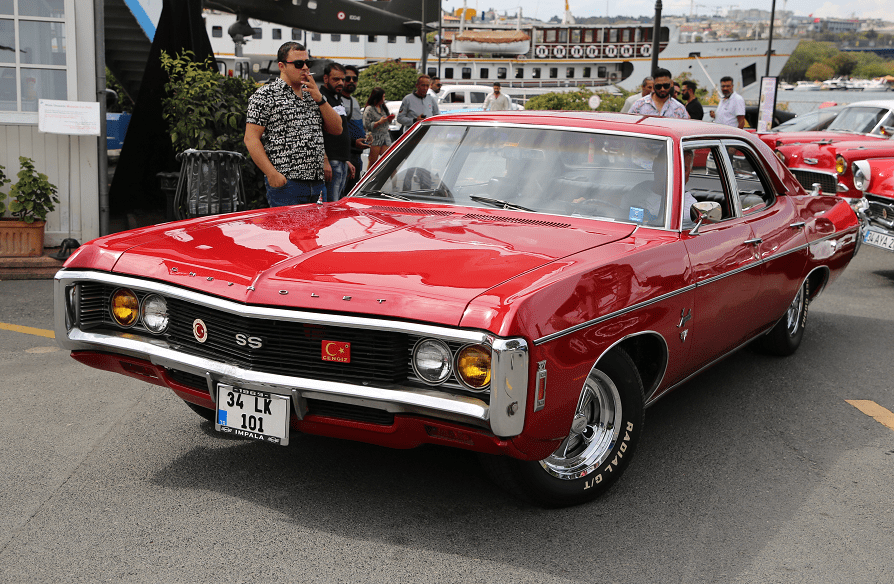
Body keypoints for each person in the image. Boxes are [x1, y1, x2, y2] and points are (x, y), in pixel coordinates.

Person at [244, 41, 342, 207]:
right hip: (287, 183)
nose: (305, 68)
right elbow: (251, 138)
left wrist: (320, 99)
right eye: (298, 64)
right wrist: (272, 174)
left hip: (317, 183)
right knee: (287, 225)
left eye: (308, 63)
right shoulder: (265, 95)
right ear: (282, 66)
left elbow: (337, 129)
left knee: (318, 225)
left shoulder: (312, 94)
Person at [319, 62, 354, 201]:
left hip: (341, 161)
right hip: (330, 161)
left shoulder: (337, 98)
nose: (340, 83)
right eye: (336, 79)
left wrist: (346, 160)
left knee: (338, 203)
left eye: (342, 79)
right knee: (330, 205)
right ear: (326, 78)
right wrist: (324, 160)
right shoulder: (321, 98)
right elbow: (318, 132)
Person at [341, 64, 369, 195]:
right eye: (348, 78)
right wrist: (353, 142)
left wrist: (366, 136)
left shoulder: (354, 101)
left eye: (355, 79)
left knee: (351, 192)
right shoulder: (337, 101)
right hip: (346, 156)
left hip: (357, 155)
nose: (351, 81)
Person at [363, 87, 394, 169]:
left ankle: (392, 176)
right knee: (373, 163)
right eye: (383, 97)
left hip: (385, 137)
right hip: (375, 138)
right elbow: (366, 125)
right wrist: (379, 122)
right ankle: (369, 176)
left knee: (389, 161)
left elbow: (386, 122)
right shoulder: (369, 109)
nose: (384, 99)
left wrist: (389, 119)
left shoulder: (383, 108)